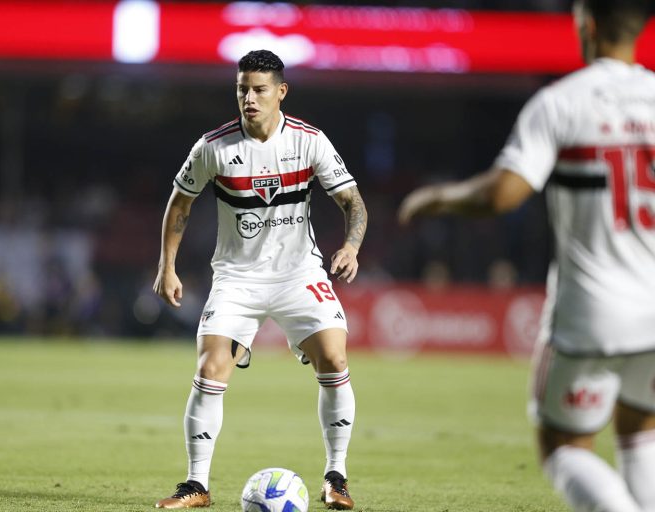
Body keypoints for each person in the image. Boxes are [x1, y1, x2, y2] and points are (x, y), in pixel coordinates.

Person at [398, 1, 655, 511]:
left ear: (587, 23)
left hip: (592, 314)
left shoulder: (562, 103)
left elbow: (502, 194)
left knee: (562, 447)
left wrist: (437, 198)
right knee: (640, 430)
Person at [153, 49, 367, 510]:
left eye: (259, 90)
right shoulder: (214, 146)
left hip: (299, 274)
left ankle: (336, 477)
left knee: (333, 356)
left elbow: (353, 201)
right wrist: (166, 266)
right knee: (210, 369)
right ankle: (196, 484)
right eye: (242, 89)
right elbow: (180, 203)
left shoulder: (309, 141)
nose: (249, 98)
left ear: (280, 92)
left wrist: (350, 246)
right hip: (237, 279)